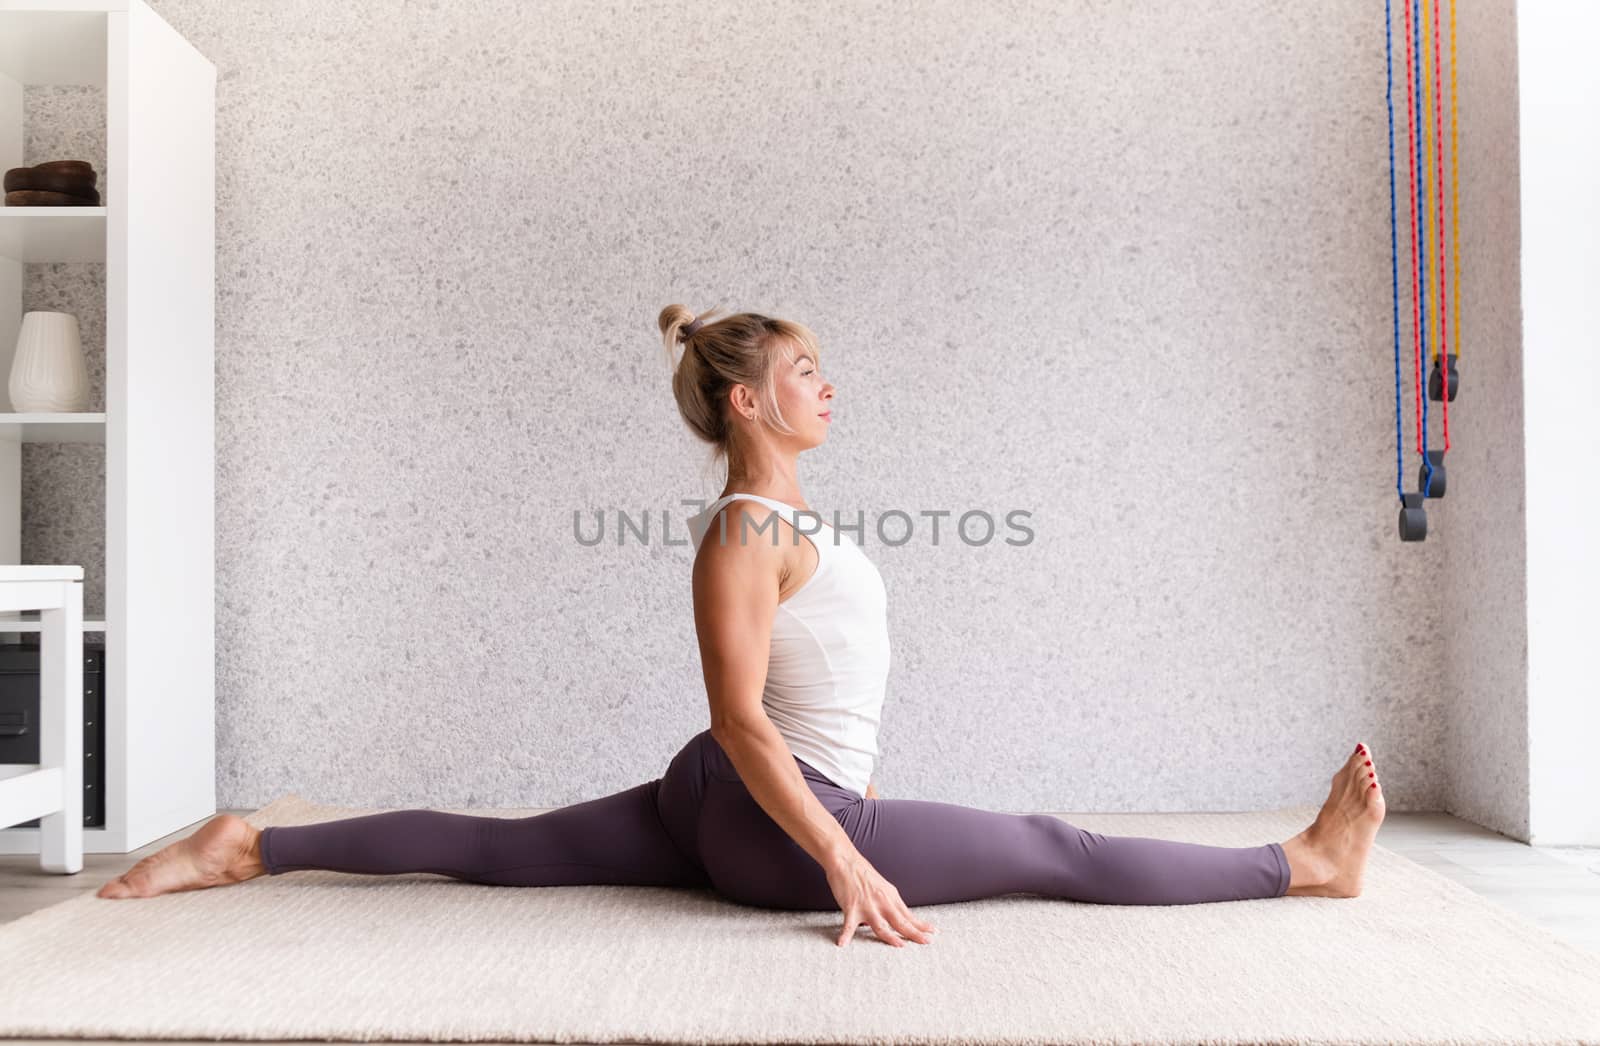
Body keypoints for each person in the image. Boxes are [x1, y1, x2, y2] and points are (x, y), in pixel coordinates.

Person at [96, 307, 1386, 949]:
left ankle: (251, 846)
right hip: (765, 809)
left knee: (502, 851)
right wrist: (842, 855)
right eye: (810, 371)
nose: (832, 384)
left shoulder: (782, 526)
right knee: (1055, 847)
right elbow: (741, 715)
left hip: (712, 803)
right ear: (752, 399)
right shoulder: (741, 532)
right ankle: (1305, 867)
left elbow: (798, 700)